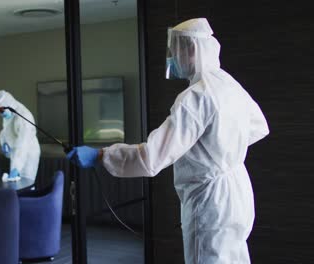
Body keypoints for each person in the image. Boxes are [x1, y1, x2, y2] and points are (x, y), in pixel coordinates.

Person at [67, 18, 269, 263]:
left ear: (192, 50)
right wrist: (221, 147)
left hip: (210, 199)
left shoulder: (195, 97)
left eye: (175, 51)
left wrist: (101, 155)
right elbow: (258, 127)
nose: (172, 58)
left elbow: (152, 157)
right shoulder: (228, 85)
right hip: (237, 191)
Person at [0, 90, 40, 182]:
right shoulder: (10, 114)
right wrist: (4, 143)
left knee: (26, 184)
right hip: (17, 154)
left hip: (28, 154)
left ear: (8, 104)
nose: (0, 113)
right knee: (15, 184)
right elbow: (5, 131)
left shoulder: (23, 116)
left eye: (1, 110)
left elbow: (23, 144)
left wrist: (16, 167)